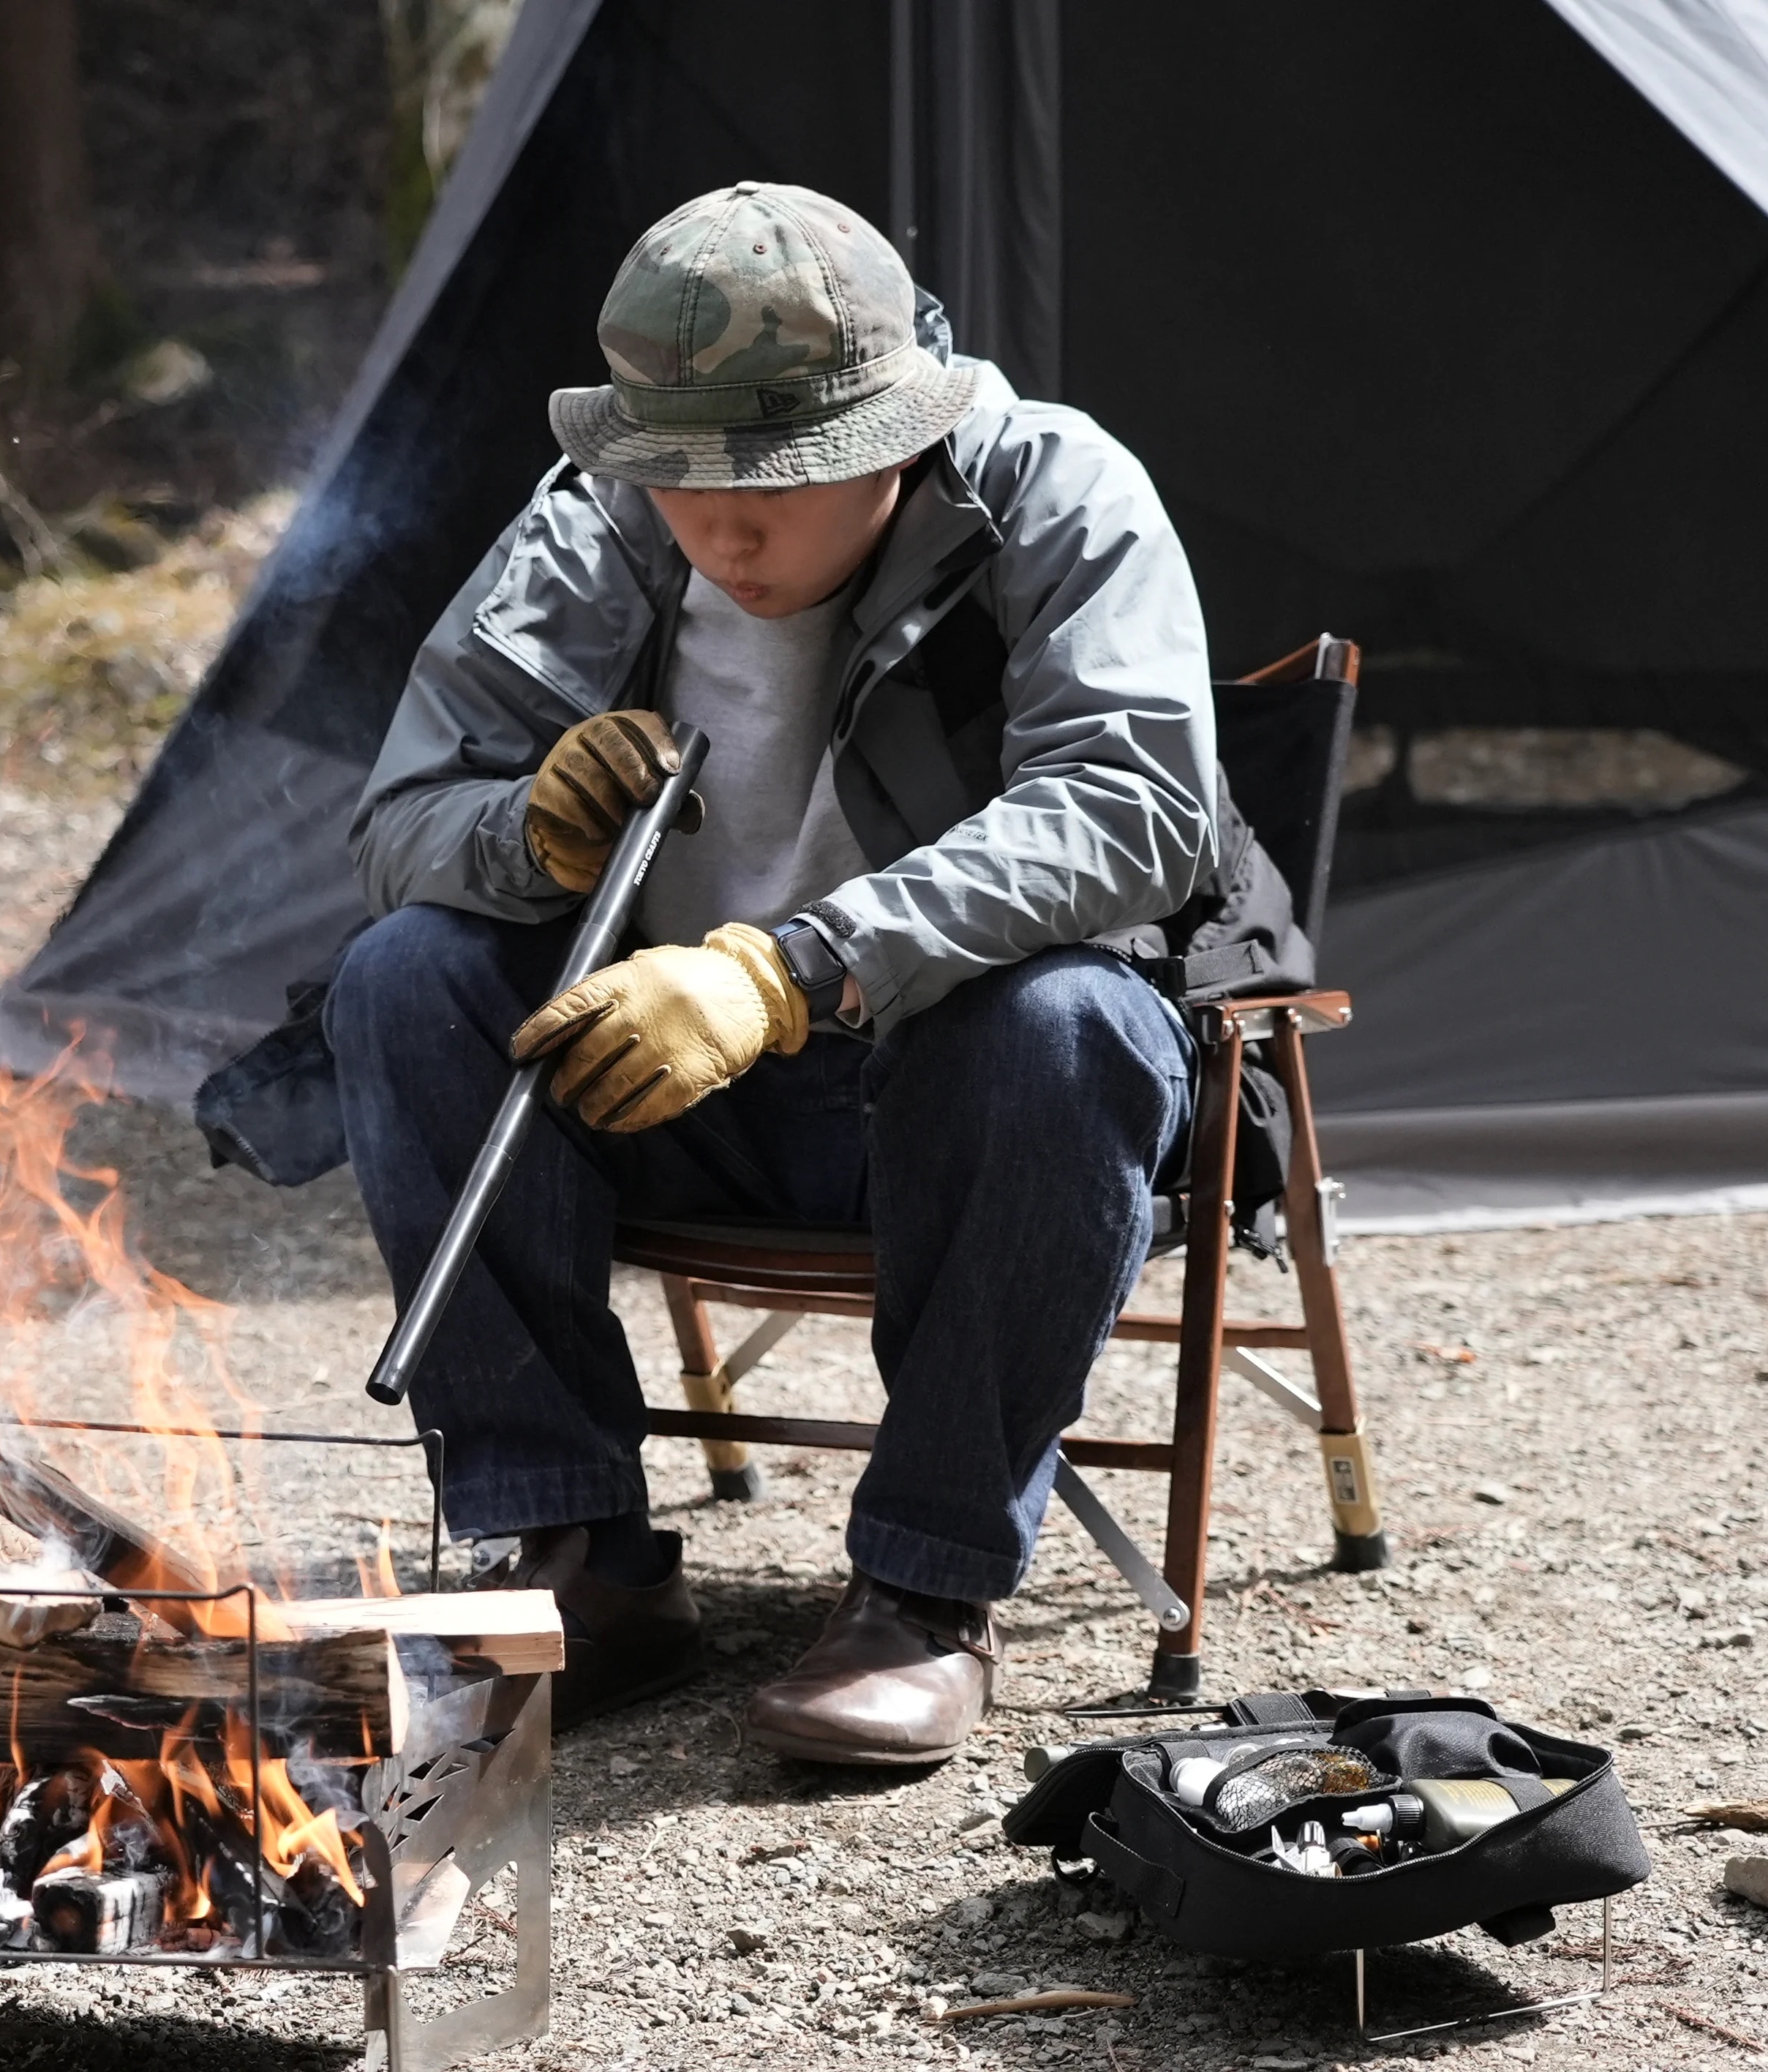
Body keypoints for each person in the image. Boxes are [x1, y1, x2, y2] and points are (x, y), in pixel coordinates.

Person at [326, 181, 1230, 1766]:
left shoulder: (1055, 490)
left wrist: (792, 964)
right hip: (662, 1085)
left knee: (1068, 1021)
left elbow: (1136, 809)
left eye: (777, 484)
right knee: (404, 980)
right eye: (685, 481)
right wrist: (525, 834)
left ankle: (923, 1594)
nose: (723, 530)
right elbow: (400, 823)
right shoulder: (601, 508)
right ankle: (575, 1558)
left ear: (896, 432)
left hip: (951, 1090)